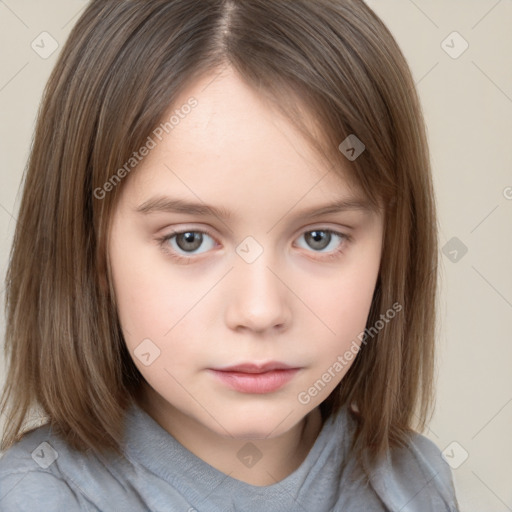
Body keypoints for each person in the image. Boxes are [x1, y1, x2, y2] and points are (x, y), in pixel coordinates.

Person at [0, 0, 459, 510]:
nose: (260, 312)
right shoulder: (34, 496)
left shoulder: (413, 481)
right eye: (189, 239)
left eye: (319, 237)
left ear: (390, 247)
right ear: (90, 250)